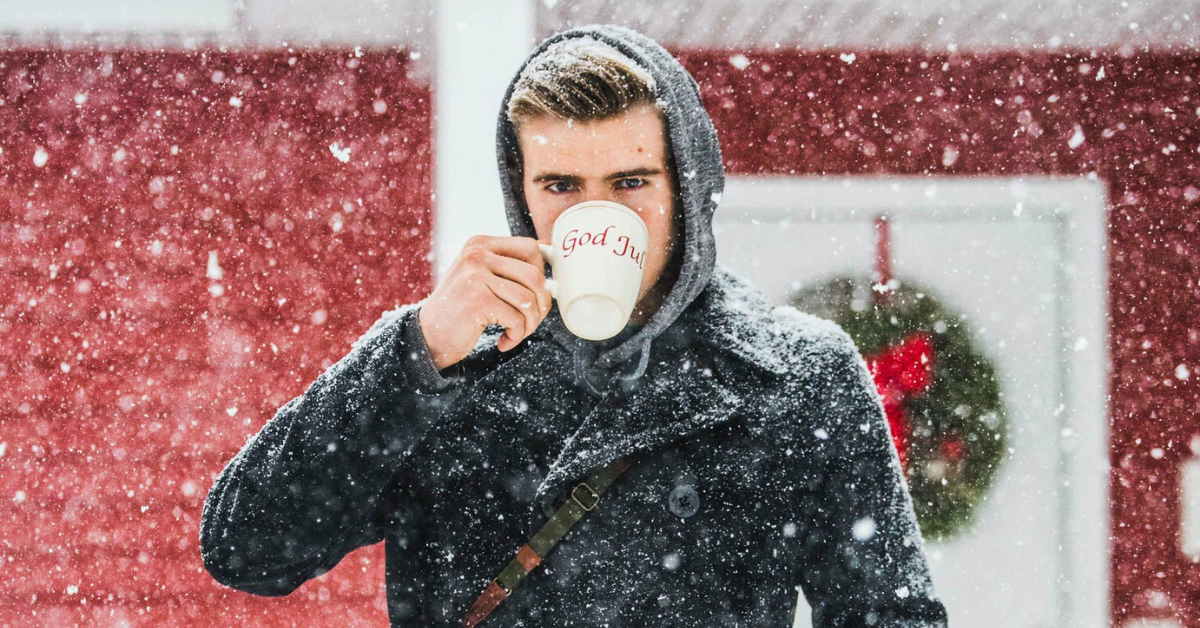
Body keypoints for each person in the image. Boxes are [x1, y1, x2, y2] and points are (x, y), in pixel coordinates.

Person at [200, 24, 950, 628]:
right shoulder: (450, 366)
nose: (599, 215)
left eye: (630, 181)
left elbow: (892, 616)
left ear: (686, 187)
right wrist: (415, 354)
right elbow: (247, 547)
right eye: (561, 185)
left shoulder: (799, 375)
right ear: (522, 194)